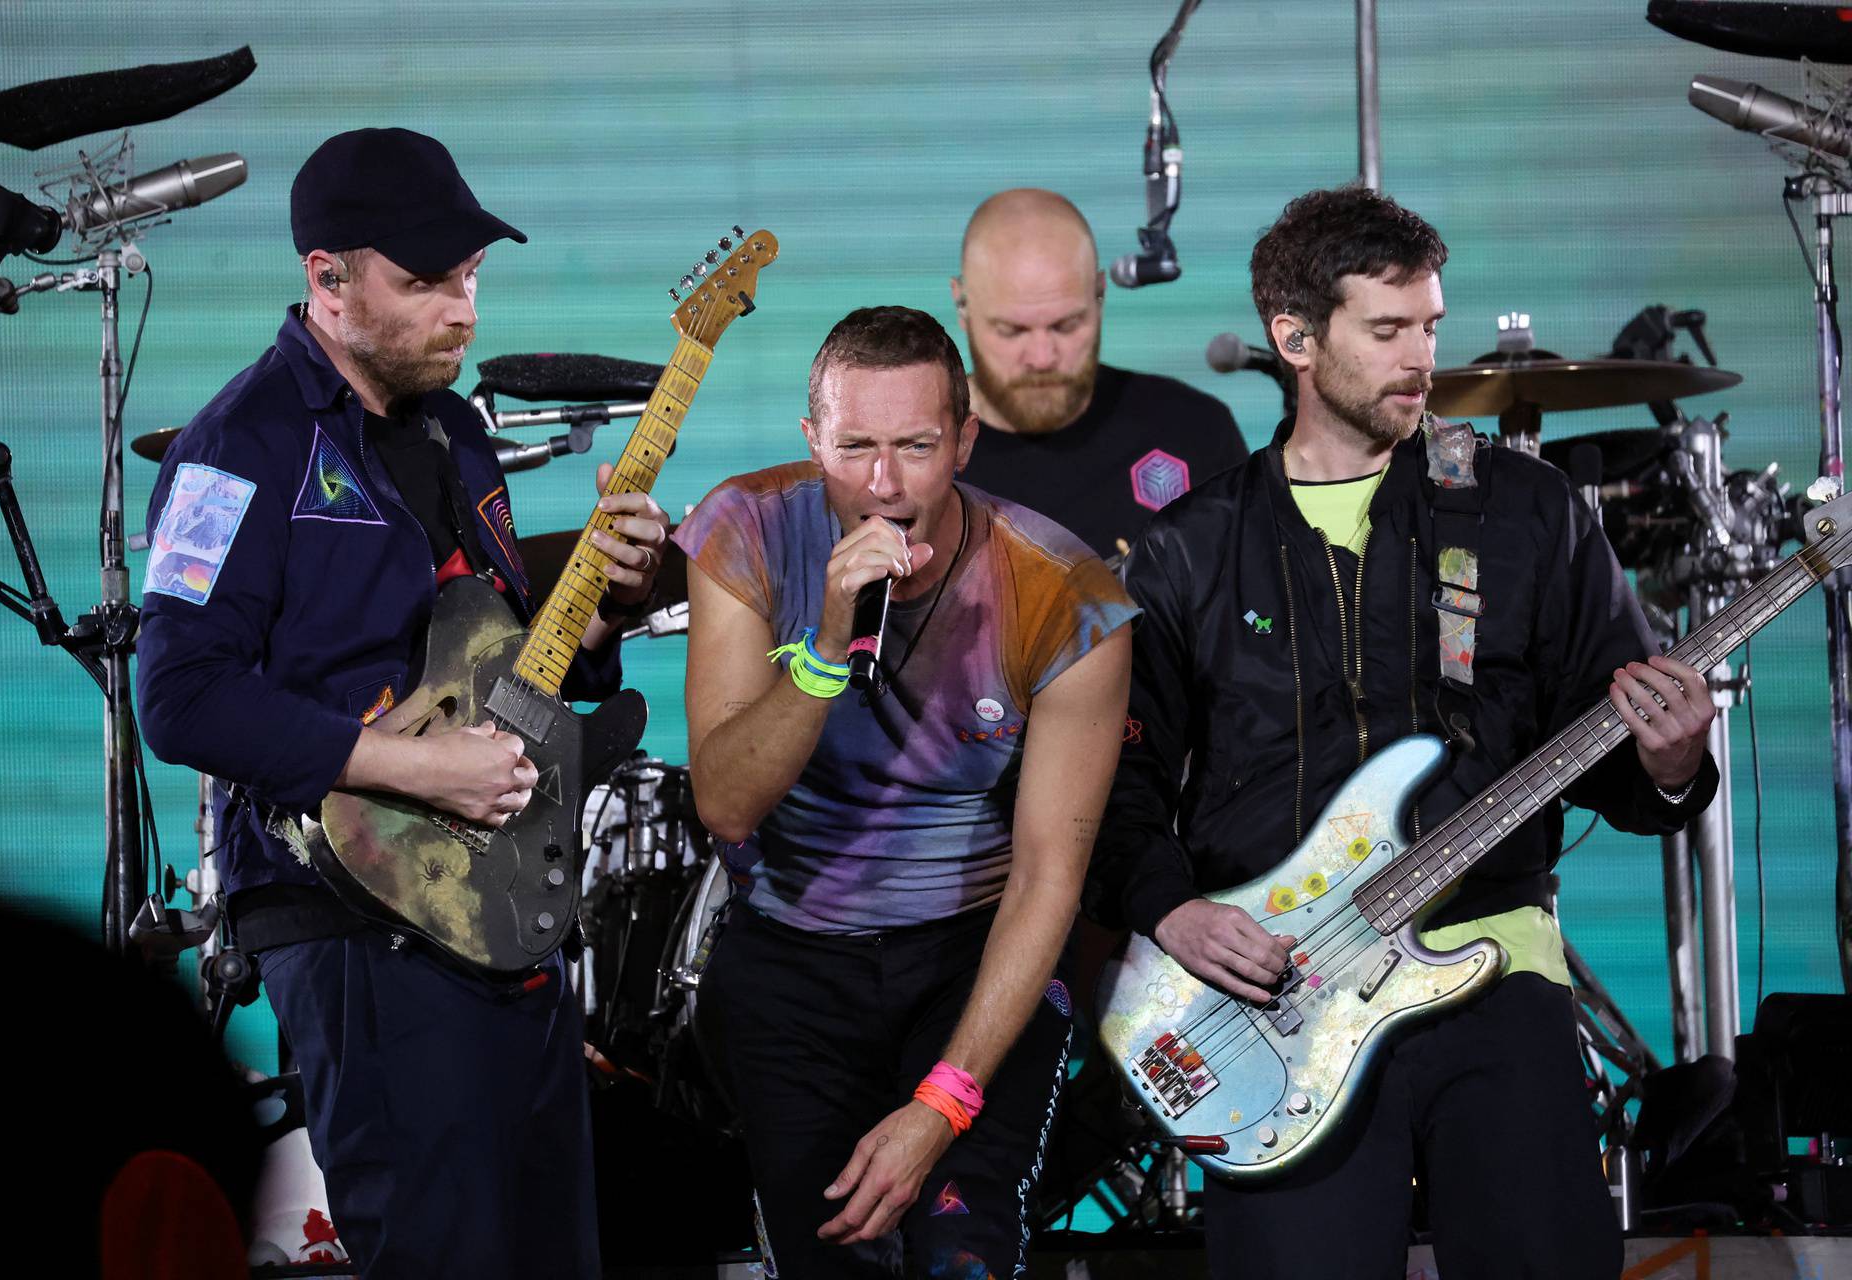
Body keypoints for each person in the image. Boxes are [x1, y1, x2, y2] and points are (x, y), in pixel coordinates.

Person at [1087, 185, 1719, 1280]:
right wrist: (1173, 909)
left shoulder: (1526, 512)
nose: (1420, 355)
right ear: (1294, 338)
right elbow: (1119, 773)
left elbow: (1612, 750)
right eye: (1386, 330)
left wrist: (1668, 766)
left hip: (1497, 963)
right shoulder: (1193, 547)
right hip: (1279, 996)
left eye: (1429, 323)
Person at [136, 127, 671, 1279]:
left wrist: (608, 604)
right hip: (354, 926)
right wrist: (417, 768)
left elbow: (507, 675)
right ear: (327, 281)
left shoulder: (458, 431)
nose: (464, 311)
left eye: (472, 277)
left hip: (499, 921)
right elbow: (180, 696)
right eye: (427, 282)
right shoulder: (236, 449)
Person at [676, 305, 1136, 1277]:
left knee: (961, 1250)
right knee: (834, 1252)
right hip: (790, 954)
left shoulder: (1061, 590)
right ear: (811, 441)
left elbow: (1049, 878)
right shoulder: (747, 529)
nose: (882, 483)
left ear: (965, 439)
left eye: (916, 446)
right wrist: (824, 643)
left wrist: (944, 1102)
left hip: (971, 952)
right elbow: (723, 802)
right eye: (853, 448)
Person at [951, 188, 1248, 560]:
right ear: (962, 306)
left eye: (1066, 325)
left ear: (1100, 294)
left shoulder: (1194, 432)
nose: (1043, 357)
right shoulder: (911, 452)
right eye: (1012, 331)